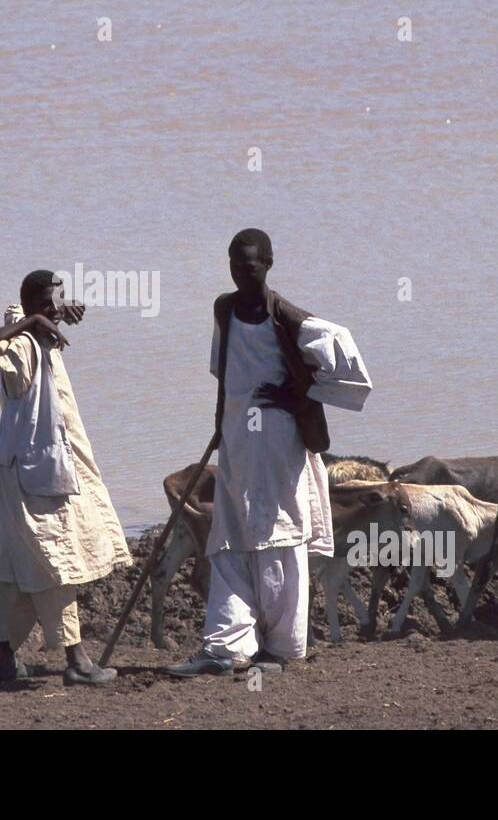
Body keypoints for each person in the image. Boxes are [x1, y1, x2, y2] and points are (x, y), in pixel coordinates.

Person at [167, 229, 372, 677]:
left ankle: (280, 649)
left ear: (269, 263)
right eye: (235, 266)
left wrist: (299, 391)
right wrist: (219, 424)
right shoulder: (225, 308)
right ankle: (227, 647)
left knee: (279, 534)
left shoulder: (287, 316)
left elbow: (343, 355)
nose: (242, 273)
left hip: (279, 440)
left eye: (251, 266)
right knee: (230, 534)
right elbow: (225, 374)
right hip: (238, 438)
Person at [0, 270, 133, 685]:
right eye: (46, 303)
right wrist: (33, 323)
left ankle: (6, 661)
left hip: (30, 469)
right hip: (35, 473)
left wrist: (52, 317)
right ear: (28, 307)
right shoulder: (23, 344)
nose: (55, 310)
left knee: (12, 563)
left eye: (58, 302)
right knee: (56, 558)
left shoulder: (44, 338)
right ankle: (77, 661)